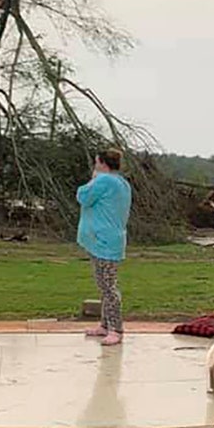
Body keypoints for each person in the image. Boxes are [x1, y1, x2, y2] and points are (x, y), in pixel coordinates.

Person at [76, 148, 132, 346]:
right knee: (103, 285)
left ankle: (116, 329)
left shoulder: (103, 181)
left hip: (104, 241)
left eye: (96, 162)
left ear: (101, 163)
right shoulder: (122, 183)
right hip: (108, 240)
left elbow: (83, 197)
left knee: (108, 287)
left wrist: (93, 179)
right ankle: (105, 325)